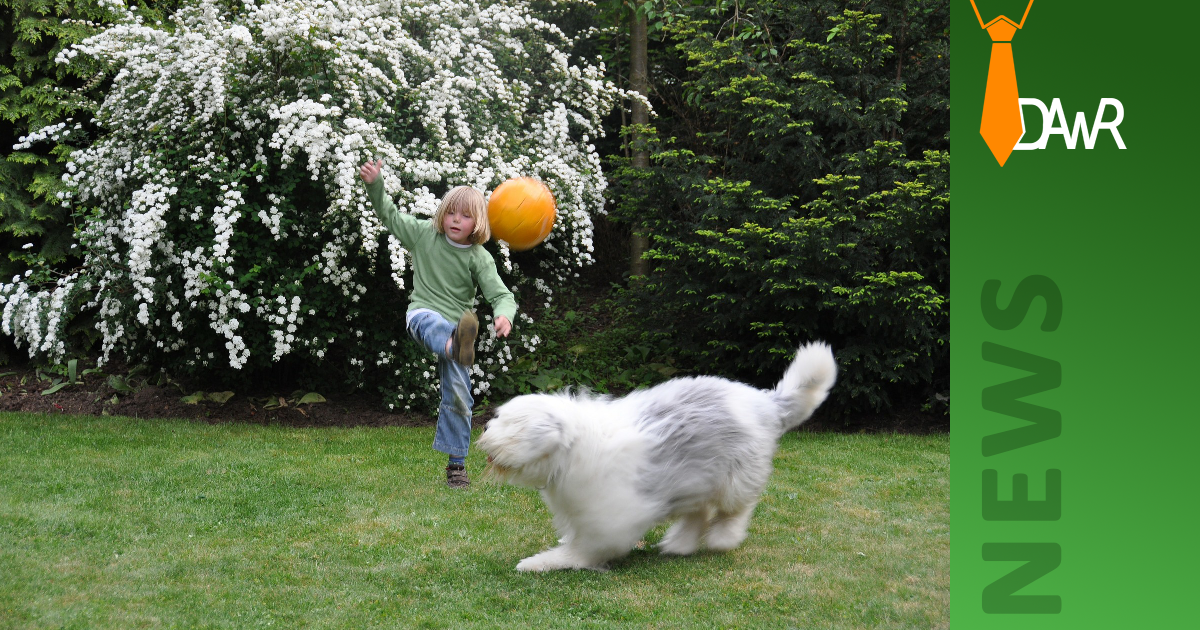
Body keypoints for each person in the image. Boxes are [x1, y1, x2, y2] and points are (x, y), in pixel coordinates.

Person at [359, 159, 516, 488]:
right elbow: (388, 214)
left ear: (477, 223)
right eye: (451, 213)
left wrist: (504, 315)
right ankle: (452, 345)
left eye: (465, 215)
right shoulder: (423, 235)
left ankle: (456, 465)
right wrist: (375, 184)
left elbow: (501, 294)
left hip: (458, 331)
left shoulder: (478, 257)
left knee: (459, 393)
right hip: (423, 315)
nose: (456, 219)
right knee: (434, 326)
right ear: (442, 214)